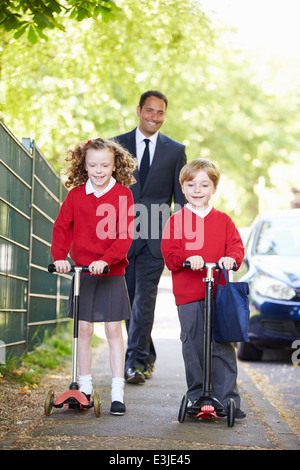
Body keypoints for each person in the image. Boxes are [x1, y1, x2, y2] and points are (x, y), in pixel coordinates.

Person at [50, 138, 136, 415]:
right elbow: (62, 228)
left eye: (105, 165)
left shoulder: (123, 195)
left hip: (111, 271)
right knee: (84, 329)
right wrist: (60, 257)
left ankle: (117, 391)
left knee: (113, 329)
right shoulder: (75, 195)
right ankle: (84, 388)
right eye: (93, 165)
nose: (98, 170)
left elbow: (124, 235)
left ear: (115, 166)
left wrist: (106, 260)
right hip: (83, 272)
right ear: (84, 165)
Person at [161, 158, 246, 418]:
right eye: (191, 184)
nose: (197, 190)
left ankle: (227, 398)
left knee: (222, 346)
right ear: (183, 189)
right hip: (188, 295)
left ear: (214, 188)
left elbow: (236, 248)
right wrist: (188, 259)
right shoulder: (176, 221)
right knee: (193, 344)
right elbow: (170, 253)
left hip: (219, 295)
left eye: (204, 184)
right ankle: (197, 395)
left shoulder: (224, 221)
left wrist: (231, 258)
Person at [114, 90, 186, 384]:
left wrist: (180, 239)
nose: (154, 117)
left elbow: (180, 197)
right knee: (127, 300)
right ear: (139, 110)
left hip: (156, 235)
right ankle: (146, 351)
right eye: (150, 111)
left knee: (145, 298)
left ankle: (134, 363)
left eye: (160, 113)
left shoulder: (175, 150)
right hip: (120, 232)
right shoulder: (117, 144)